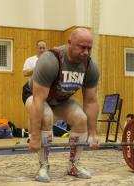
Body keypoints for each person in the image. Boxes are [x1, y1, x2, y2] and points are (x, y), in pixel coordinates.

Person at [22, 27, 100, 182]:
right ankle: (43, 165)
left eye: (89, 48)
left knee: (80, 119)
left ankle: (73, 165)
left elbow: (91, 101)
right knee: (46, 116)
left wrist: (92, 132)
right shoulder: (51, 60)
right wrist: (35, 136)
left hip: (60, 99)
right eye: (81, 47)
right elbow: (38, 100)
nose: (85, 52)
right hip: (35, 96)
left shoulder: (90, 67)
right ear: (70, 43)